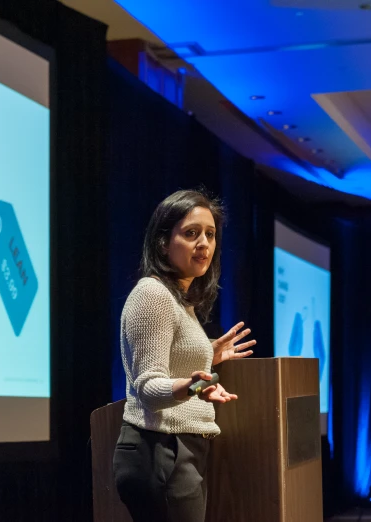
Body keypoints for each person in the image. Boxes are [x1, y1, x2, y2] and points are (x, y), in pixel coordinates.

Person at [112, 189, 256, 522]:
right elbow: (149, 388)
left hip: (177, 449)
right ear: (163, 242)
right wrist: (195, 385)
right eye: (191, 234)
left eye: (210, 234)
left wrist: (207, 355)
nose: (203, 243)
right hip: (159, 451)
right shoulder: (154, 294)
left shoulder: (180, 300)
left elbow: (171, 361)